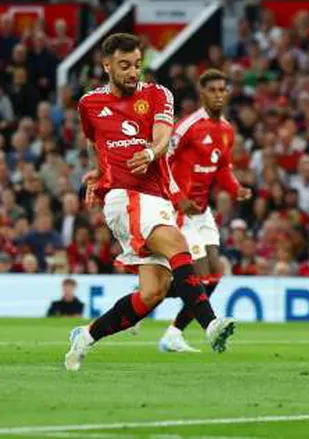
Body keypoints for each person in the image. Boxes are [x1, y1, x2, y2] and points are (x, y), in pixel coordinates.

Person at [65, 33, 236, 371]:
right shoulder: (89, 104)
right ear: (107, 66)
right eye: (124, 66)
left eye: (137, 65)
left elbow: (163, 136)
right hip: (124, 196)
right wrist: (98, 171)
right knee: (177, 244)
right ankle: (211, 324)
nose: (133, 72)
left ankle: (85, 336)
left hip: (157, 197)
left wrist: (150, 152)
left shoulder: (158, 94)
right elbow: (92, 140)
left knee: (153, 293)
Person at [157, 69, 252, 352]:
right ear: (202, 94)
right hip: (180, 210)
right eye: (212, 90)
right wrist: (179, 197)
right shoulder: (187, 127)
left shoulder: (226, 130)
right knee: (199, 274)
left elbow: (222, 167)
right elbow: (162, 163)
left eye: (222, 90)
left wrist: (236, 189)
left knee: (215, 272)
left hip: (202, 211)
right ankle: (159, 301)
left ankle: (172, 330)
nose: (218, 95)